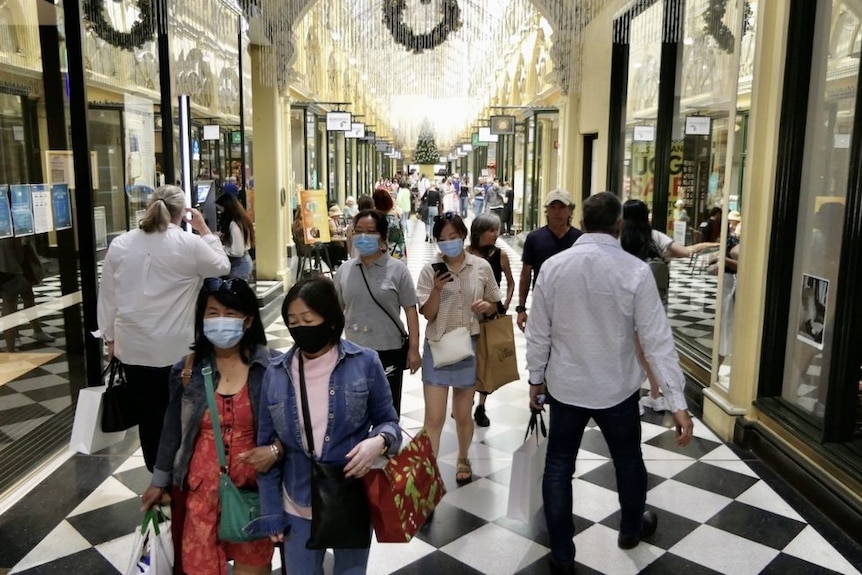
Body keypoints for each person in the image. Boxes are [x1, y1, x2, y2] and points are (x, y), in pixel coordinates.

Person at [525, 192, 694, 573]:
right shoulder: (634, 271)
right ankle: (631, 529)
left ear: (581, 222)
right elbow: (657, 339)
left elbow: (539, 333)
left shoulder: (553, 267)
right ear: (619, 225)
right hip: (616, 389)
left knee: (558, 468)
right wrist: (677, 402)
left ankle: (563, 554)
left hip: (566, 387)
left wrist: (536, 379)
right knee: (629, 461)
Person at [254, 277, 402, 573]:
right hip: (296, 499)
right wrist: (270, 509)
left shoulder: (365, 363)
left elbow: (390, 424)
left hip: (351, 495)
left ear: (331, 319)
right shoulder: (277, 372)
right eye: (293, 321)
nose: (300, 328)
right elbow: (265, 448)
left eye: (308, 319)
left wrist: (379, 441)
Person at [140, 278, 276, 575]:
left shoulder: (269, 368)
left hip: (251, 489)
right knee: (199, 566)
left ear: (248, 319)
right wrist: (158, 480)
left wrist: (275, 451)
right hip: (199, 489)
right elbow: (172, 430)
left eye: (230, 314)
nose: (220, 322)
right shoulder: (186, 369)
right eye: (212, 313)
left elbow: (289, 429)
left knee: (252, 566)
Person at [97, 185, 230, 472]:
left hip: (133, 348)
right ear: (182, 213)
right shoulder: (188, 244)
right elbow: (222, 267)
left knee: (149, 416)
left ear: (149, 206)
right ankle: (181, 474)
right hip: (177, 350)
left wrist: (109, 338)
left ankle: (156, 475)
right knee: (181, 414)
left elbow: (108, 296)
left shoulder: (121, 244)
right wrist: (204, 229)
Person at [416, 213, 502, 483]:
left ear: (463, 236)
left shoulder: (481, 266)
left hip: (469, 346)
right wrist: (437, 291)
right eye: (442, 240)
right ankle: (429, 472)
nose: (448, 244)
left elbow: (494, 303)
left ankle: (463, 457)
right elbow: (427, 313)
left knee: (463, 414)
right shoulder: (430, 270)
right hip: (438, 346)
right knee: (434, 418)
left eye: (453, 238)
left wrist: (487, 307)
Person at [620, 199, 718, 414]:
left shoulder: (619, 238)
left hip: (625, 302)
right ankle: (655, 395)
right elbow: (686, 251)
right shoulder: (654, 237)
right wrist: (710, 245)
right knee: (650, 351)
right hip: (653, 303)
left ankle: (633, 397)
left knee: (630, 351)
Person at [334, 209, 422, 415]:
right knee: (355, 409)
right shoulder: (345, 271)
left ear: (382, 237)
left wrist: (414, 349)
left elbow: (411, 311)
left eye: (370, 231)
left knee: (388, 409)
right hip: (353, 351)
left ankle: (387, 445)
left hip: (388, 349)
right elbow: (337, 311)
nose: (363, 237)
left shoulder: (398, 270)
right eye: (358, 231)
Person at [466, 213, 514, 427]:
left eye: (497, 230)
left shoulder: (500, 255)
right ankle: (466, 401)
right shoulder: (465, 254)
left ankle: (481, 406)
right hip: (467, 316)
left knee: (488, 360)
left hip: (491, 316)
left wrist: (505, 305)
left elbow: (511, 282)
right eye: (491, 230)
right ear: (479, 232)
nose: (496, 235)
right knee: (467, 359)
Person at [516, 190, 582, 332]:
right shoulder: (534, 238)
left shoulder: (580, 239)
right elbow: (525, 274)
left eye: (562, 207)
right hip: (542, 304)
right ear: (546, 211)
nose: (557, 212)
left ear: (570, 211)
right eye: (553, 207)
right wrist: (521, 308)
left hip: (573, 306)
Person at [0, 238, 55, 351]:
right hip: (8, 263)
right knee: (11, 301)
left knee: (26, 296)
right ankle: (12, 343)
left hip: (13, 261)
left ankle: (32, 332)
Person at [216, 193, 255, 281]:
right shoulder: (241, 221)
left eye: (220, 209)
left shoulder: (234, 225)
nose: (219, 212)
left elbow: (237, 252)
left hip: (239, 265)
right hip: (244, 262)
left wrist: (220, 248)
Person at [372, 188, 406, 260]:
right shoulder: (396, 218)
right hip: (397, 253)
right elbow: (401, 238)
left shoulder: (375, 220)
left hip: (382, 256)